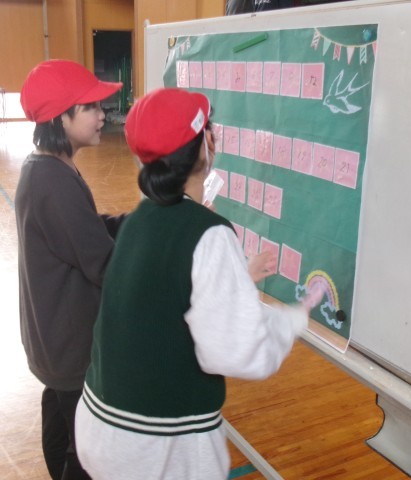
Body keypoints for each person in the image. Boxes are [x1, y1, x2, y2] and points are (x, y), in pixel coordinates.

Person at [74, 88, 324, 480]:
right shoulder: (207, 232)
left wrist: (236, 276)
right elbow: (240, 351)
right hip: (157, 452)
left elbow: (165, 294)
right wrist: (292, 320)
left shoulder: (141, 218)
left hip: (102, 426)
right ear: (207, 143)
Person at [15, 59, 124, 480]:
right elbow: (104, 265)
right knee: (86, 452)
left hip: (52, 336)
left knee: (61, 422)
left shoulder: (47, 166)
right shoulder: (54, 180)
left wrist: (131, 222)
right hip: (69, 341)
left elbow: (83, 231)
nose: (102, 115)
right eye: (91, 107)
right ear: (62, 118)